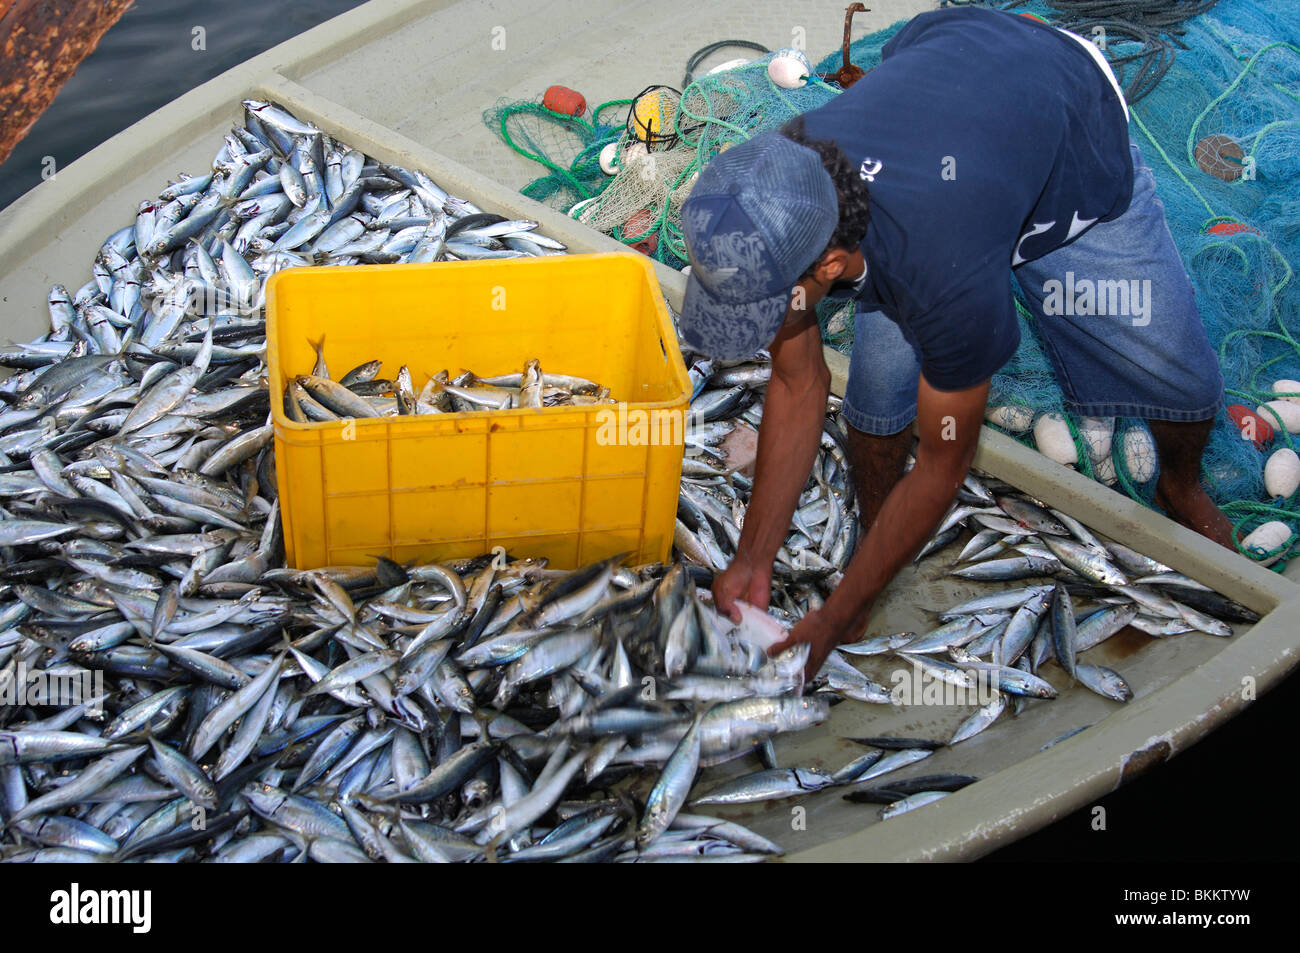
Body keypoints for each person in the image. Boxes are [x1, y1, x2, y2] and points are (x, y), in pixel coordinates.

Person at [677, 6, 1232, 680]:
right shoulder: (774, 193)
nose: (761, 327)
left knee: (1175, 372)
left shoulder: (938, 270)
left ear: (825, 268)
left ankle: (1180, 483)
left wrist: (837, 614)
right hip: (950, 80)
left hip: (1066, 124)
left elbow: (945, 461)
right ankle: (877, 534)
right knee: (878, 402)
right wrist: (752, 560)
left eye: (766, 307)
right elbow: (797, 382)